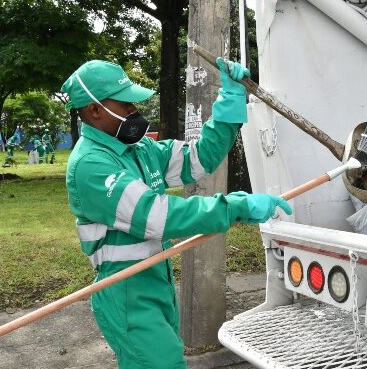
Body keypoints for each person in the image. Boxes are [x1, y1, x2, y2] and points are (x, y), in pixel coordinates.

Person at [60, 59, 292, 369]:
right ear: (95, 110)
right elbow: (157, 216)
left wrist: (231, 98)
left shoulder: (139, 149)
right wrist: (237, 207)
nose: (133, 110)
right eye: (124, 103)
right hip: (126, 289)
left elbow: (200, 157)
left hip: (157, 278)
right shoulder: (90, 165)